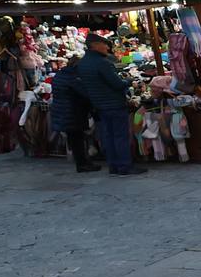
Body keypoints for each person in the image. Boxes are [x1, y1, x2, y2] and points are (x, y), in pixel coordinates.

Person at [76, 34, 139, 176]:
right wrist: (129, 81)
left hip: (99, 104)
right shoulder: (102, 63)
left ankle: (113, 166)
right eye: (104, 44)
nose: (107, 47)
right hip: (114, 103)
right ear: (95, 45)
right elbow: (116, 84)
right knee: (120, 136)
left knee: (108, 136)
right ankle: (124, 166)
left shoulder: (83, 63)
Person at [49, 55, 95, 172]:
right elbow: (84, 93)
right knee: (77, 139)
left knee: (74, 139)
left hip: (63, 111)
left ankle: (82, 162)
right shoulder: (73, 78)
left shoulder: (60, 74)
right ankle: (82, 164)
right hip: (72, 112)